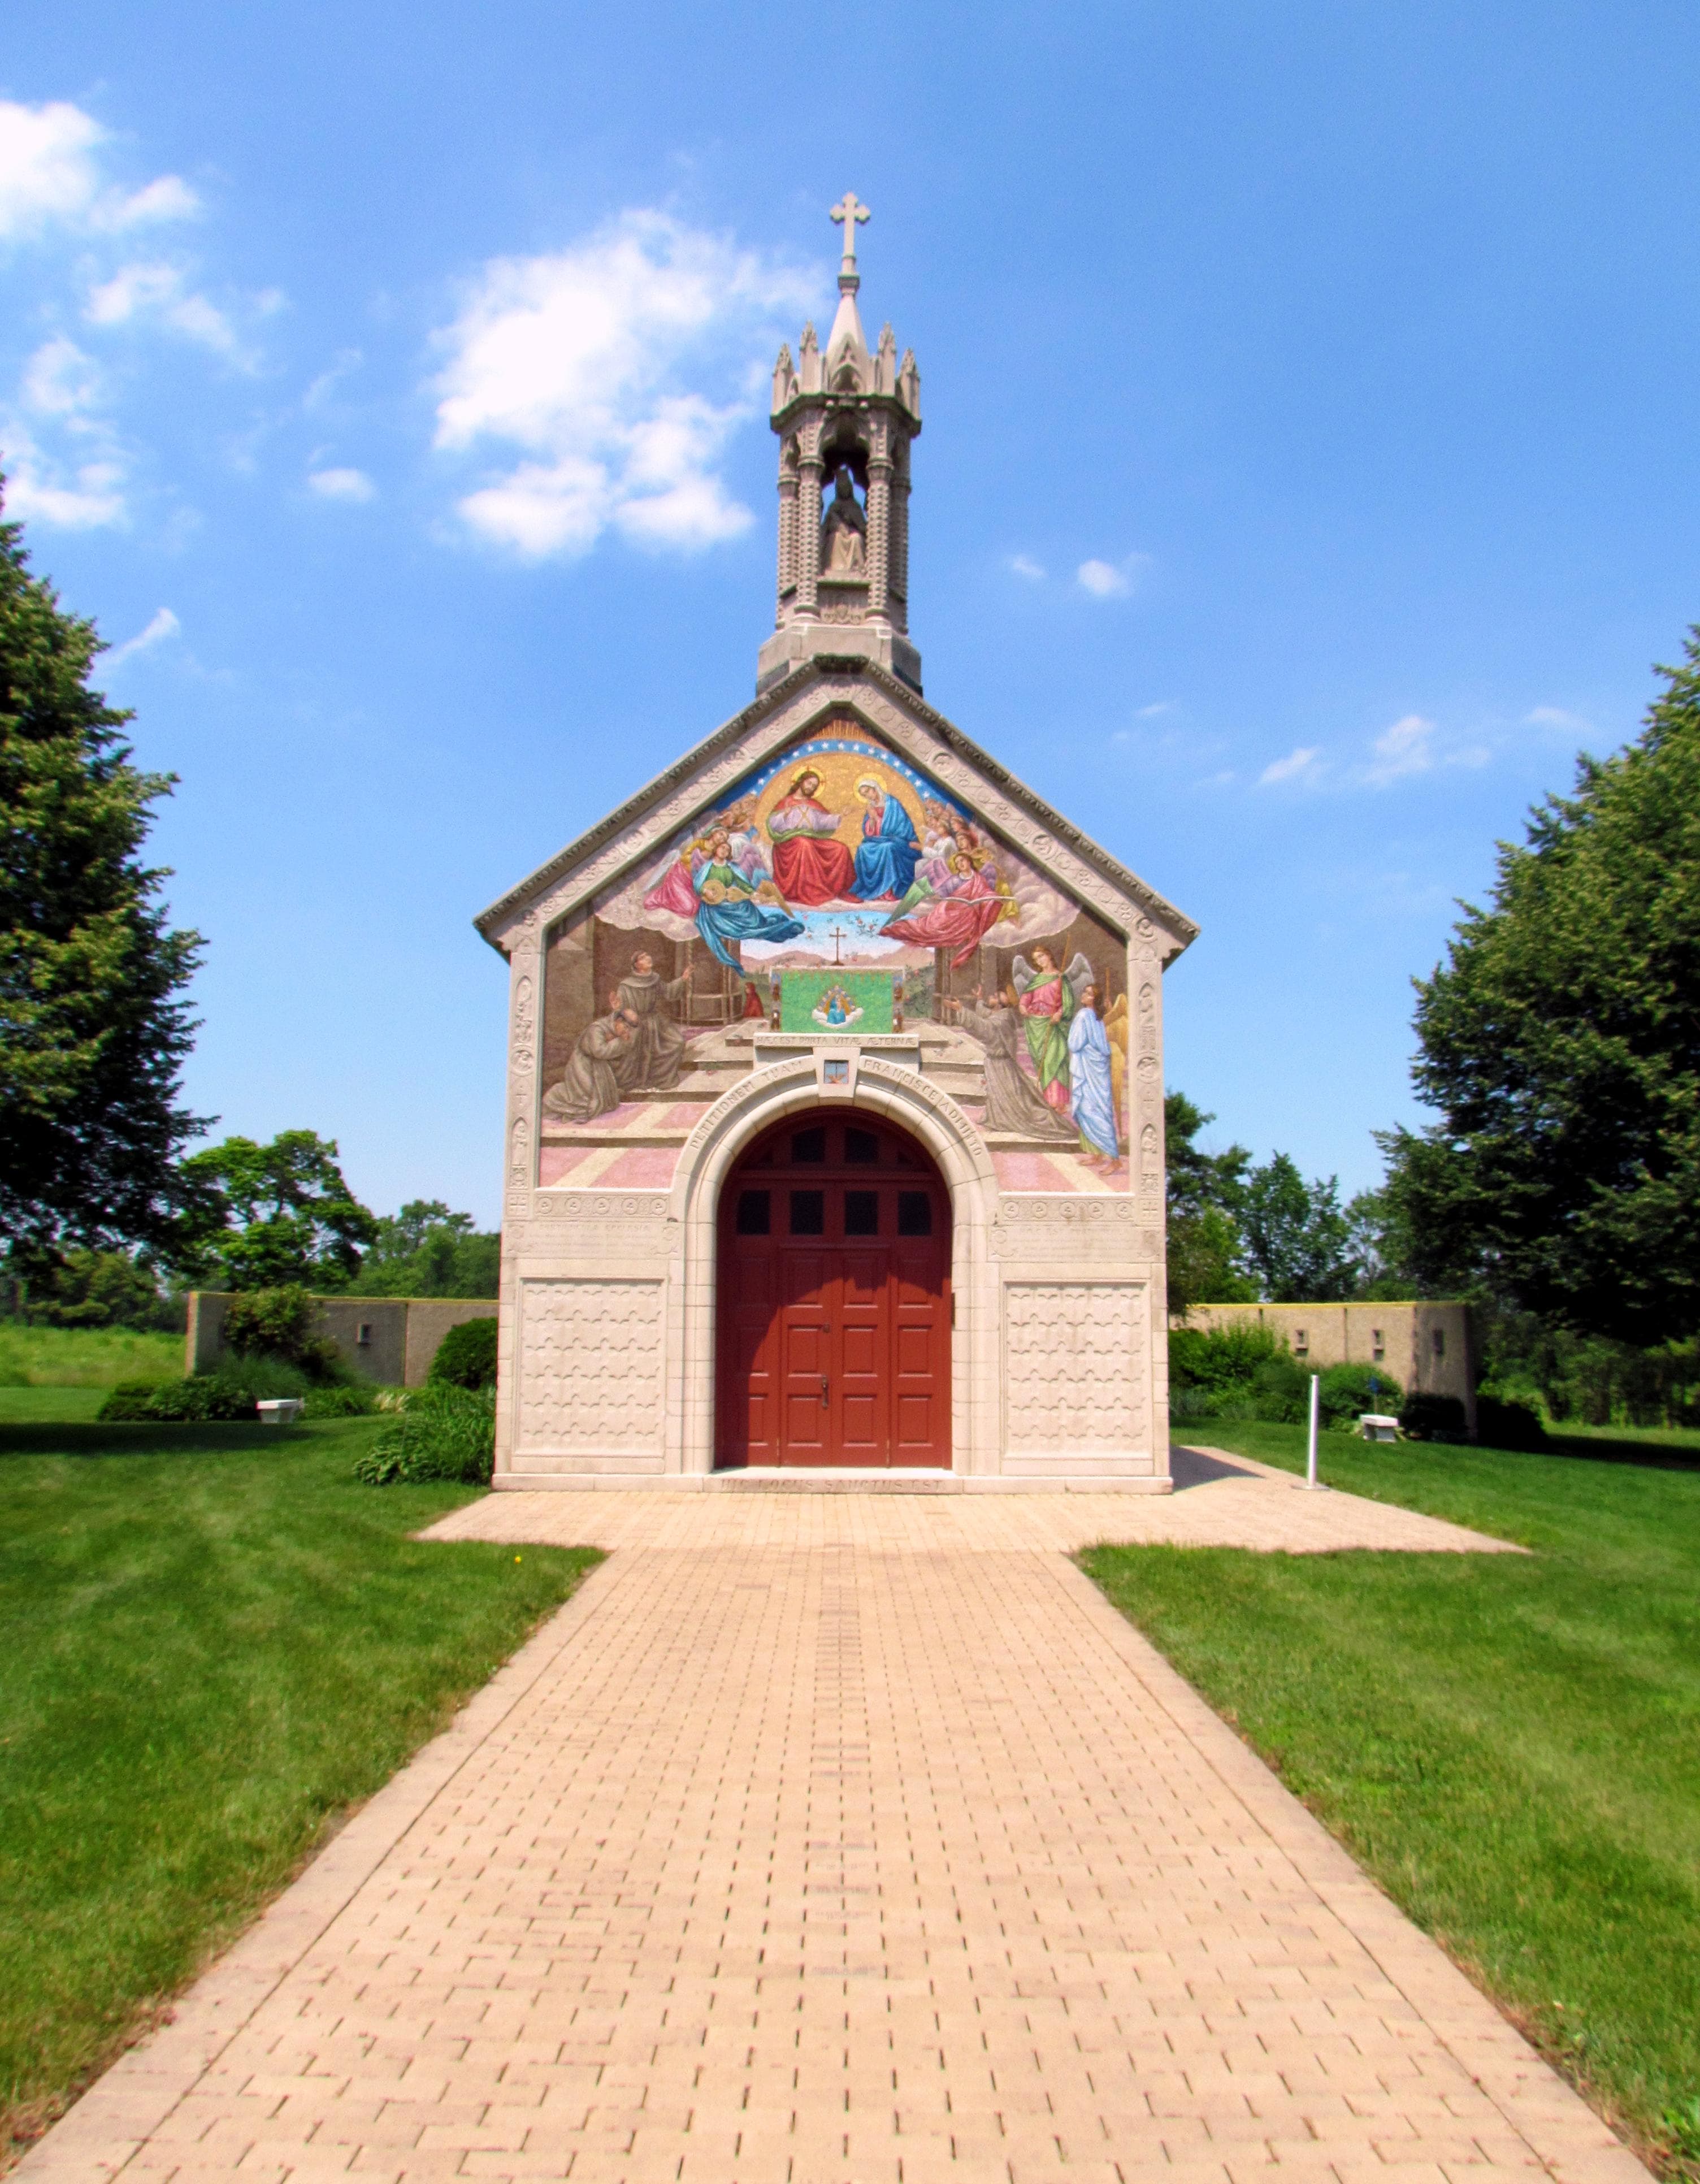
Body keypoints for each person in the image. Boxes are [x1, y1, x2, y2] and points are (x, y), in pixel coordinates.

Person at [952, 987, 1076, 1139]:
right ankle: (999, 1118)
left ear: (998, 1005)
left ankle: (1021, 1119)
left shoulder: (1002, 1020)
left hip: (1001, 1065)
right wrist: (979, 999)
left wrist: (961, 1010)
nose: (990, 996)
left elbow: (985, 1028)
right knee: (1000, 1094)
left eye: (994, 995)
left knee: (1015, 1102)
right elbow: (986, 1014)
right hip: (997, 1063)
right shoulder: (1003, 1014)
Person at [881, 853, 1009, 967]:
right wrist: (937, 895)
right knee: (931, 928)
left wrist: (993, 898)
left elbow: (986, 893)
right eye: (957, 863)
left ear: (969, 861)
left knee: (967, 924)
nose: (960, 864)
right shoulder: (954, 880)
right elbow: (943, 893)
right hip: (949, 911)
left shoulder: (979, 879)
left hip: (969, 914)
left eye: (962, 861)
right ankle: (902, 929)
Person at [767, 768, 856, 904]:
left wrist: (841, 815)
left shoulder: (814, 804)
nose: (811, 788)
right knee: (805, 845)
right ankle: (811, 891)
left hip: (811, 839)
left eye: (814, 786)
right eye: (809, 784)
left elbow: (822, 822)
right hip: (789, 843)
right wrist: (784, 814)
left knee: (841, 849)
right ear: (801, 782)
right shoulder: (786, 802)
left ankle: (841, 890)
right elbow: (773, 825)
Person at [610, 952, 691, 1093]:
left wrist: (683, 979)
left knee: (677, 1042)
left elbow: (669, 992)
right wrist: (626, 1012)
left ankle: (660, 1079)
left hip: (655, 1021)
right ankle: (636, 1082)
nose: (648, 958)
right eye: (643, 957)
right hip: (635, 1024)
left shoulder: (655, 979)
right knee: (635, 1051)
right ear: (636, 965)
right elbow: (620, 1008)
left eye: (647, 956)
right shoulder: (626, 985)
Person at [1012, 945, 1077, 1115]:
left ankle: (1058, 1102)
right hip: (1036, 1025)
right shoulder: (1037, 980)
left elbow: (1068, 1004)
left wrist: (1059, 1013)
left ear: (1049, 956)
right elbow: (1026, 998)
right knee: (1043, 1062)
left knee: (1055, 1060)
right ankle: (1049, 1100)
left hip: (1053, 1025)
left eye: (1041, 956)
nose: (1039, 961)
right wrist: (1023, 1007)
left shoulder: (1061, 979)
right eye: (1036, 959)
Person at [543, 1007, 636, 1125]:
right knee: (585, 1100)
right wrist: (620, 1042)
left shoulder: (611, 1029)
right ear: (618, 1021)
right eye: (626, 1027)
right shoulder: (596, 1029)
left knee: (604, 1102)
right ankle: (553, 1098)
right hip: (582, 1066)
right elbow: (600, 1051)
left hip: (597, 1066)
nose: (626, 1032)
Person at [1066, 984, 1122, 1167]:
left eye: (1089, 994)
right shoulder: (1098, 1017)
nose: (1084, 995)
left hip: (1090, 1069)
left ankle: (1114, 1159)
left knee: (1091, 1111)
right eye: (1085, 991)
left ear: (1094, 999)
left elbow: (1075, 1044)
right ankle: (1096, 1154)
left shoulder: (1083, 1016)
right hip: (1096, 1068)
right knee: (1099, 1110)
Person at [849, 777, 921, 901]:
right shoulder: (871, 807)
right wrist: (872, 818)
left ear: (875, 788)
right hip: (879, 840)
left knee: (887, 848)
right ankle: (874, 889)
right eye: (864, 795)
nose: (868, 796)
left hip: (899, 841)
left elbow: (901, 827)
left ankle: (889, 890)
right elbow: (869, 834)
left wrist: (877, 818)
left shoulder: (892, 804)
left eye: (868, 791)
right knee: (863, 848)